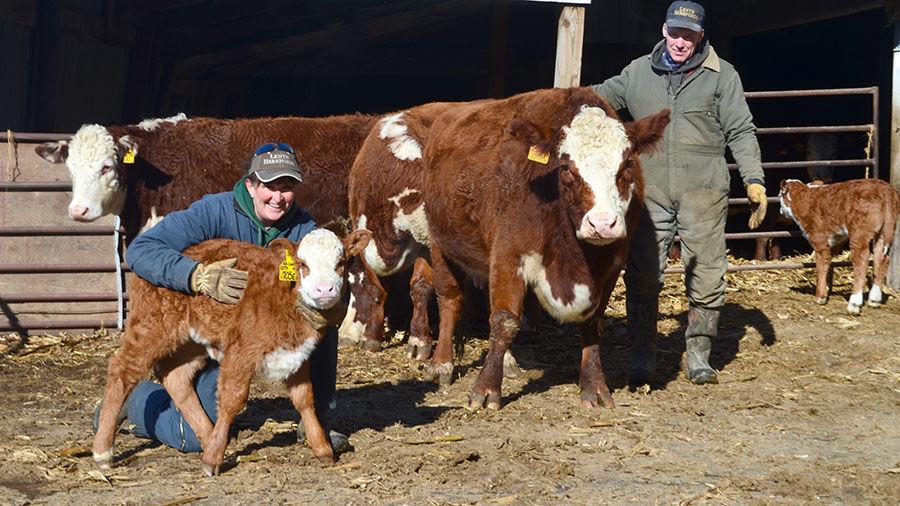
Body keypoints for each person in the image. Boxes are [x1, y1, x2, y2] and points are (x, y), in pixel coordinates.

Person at [94, 142, 350, 453]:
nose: (278, 198)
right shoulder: (213, 211)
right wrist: (195, 276)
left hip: (249, 335)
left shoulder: (303, 230)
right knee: (188, 436)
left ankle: (317, 418)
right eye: (269, 186)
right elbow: (141, 251)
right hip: (206, 323)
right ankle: (136, 400)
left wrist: (332, 305)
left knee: (320, 317)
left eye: (287, 188)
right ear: (250, 185)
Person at [590, 1, 767, 386]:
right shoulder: (637, 73)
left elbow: (741, 130)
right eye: (675, 33)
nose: (681, 42)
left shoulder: (722, 76)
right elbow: (594, 99)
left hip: (703, 189)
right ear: (664, 31)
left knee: (706, 271)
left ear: (701, 36)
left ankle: (699, 355)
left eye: (689, 35)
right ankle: (643, 357)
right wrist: (553, 104)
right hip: (648, 193)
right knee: (642, 274)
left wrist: (754, 179)